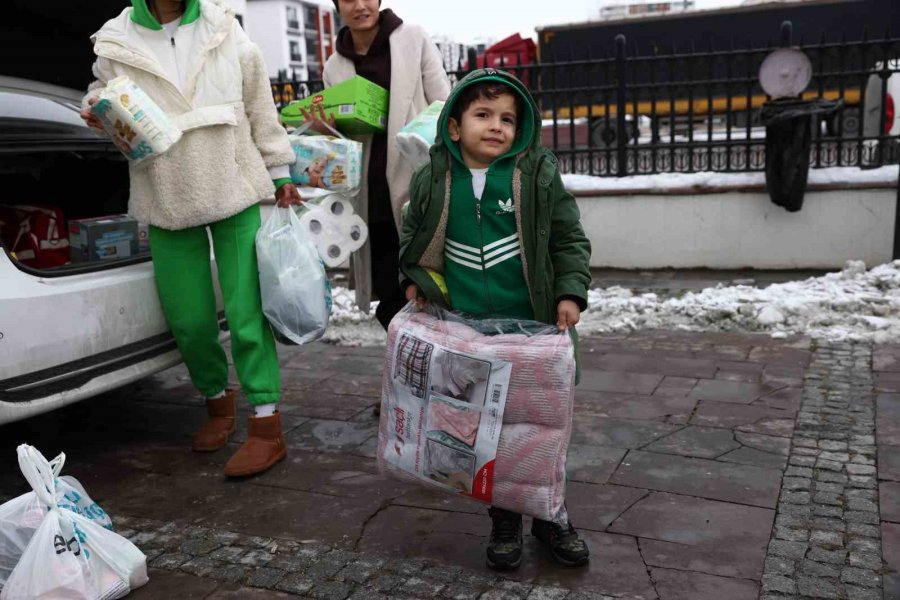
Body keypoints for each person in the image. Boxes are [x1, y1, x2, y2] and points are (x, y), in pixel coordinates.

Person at [80, 0, 302, 477]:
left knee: (246, 311)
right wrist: (95, 110)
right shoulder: (115, 39)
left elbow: (260, 102)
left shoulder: (225, 26)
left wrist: (280, 170)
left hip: (234, 178)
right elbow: (103, 93)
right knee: (188, 316)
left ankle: (267, 426)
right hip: (163, 186)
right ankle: (217, 404)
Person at [399, 69, 593, 570]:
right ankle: (505, 516)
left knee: (543, 427)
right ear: (455, 125)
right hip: (469, 332)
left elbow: (568, 239)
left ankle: (552, 516)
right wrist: (417, 281)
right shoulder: (435, 179)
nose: (496, 126)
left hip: (536, 328)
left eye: (508, 118)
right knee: (490, 429)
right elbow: (415, 236)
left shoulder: (537, 176)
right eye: (483, 115)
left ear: (522, 128)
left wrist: (570, 292)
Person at [313, 0, 450, 330]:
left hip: (416, 180)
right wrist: (326, 127)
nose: (360, 5)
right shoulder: (334, 64)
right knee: (391, 293)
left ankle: (437, 361)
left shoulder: (413, 39)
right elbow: (343, 140)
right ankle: (406, 363)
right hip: (370, 193)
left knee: (429, 281)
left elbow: (444, 104)